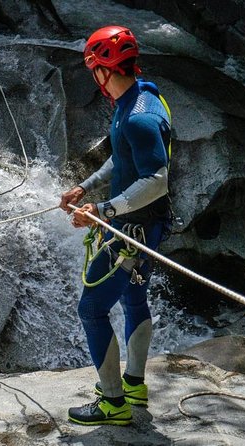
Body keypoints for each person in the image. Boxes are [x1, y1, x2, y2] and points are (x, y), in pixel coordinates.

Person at [59, 25, 172, 425]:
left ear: (103, 69)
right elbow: (122, 159)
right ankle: (135, 384)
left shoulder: (138, 118)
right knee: (133, 300)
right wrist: (84, 185)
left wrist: (105, 210)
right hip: (146, 226)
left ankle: (113, 403)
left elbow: (157, 181)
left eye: (95, 71)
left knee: (91, 309)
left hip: (131, 231)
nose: (97, 80)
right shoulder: (142, 96)